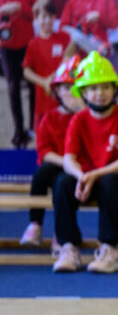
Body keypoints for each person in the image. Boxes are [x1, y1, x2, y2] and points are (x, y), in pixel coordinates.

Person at [52, 52, 118, 273]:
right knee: (62, 183)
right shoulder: (78, 120)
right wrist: (81, 176)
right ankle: (68, 247)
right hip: (91, 178)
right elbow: (69, 159)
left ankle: (110, 248)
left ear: (115, 89)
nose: (100, 93)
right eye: (93, 88)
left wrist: (94, 175)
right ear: (84, 93)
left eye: (105, 87)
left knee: (110, 183)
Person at [20, 55, 83, 248]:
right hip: (55, 163)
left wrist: (81, 112)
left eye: (76, 88)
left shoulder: (85, 119)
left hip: (77, 170)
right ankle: (35, 224)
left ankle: (62, 232)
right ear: (57, 91)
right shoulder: (49, 118)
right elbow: (44, 151)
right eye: (66, 88)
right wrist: (65, 161)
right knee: (42, 173)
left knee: (61, 185)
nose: (71, 93)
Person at [0, 0, 38, 148]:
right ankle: (18, 131)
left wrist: (19, 8)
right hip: (6, 44)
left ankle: (32, 127)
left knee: (32, 86)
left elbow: (36, 11)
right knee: (13, 87)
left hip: (27, 43)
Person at [22, 0, 74, 132]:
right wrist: (44, 81)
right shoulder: (33, 44)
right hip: (43, 103)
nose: (47, 21)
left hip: (64, 101)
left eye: (51, 16)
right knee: (45, 140)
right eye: (43, 17)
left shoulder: (64, 38)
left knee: (66, 137)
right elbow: (26, 71)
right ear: (37, 19)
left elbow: (73, 60)